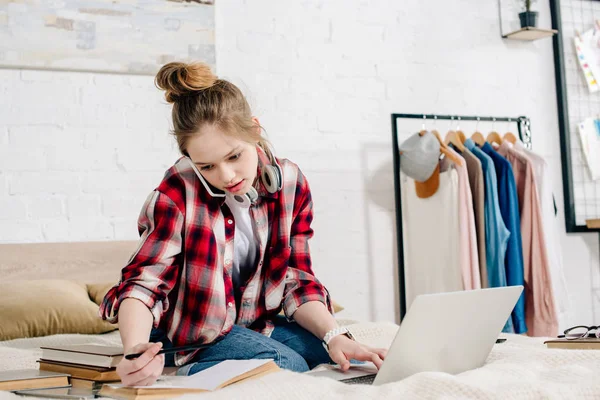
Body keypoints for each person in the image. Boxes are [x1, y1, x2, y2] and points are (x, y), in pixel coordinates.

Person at [99, 61, 387, 386]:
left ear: (255, 129)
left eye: (234, 156)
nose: (226, 176)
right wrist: (134, 352)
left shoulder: (290, 183)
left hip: (251, 325)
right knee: (284, 362)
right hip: (193, 331)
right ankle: (180, 371)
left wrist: (335, 335)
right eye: (207, 166)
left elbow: (296, 277)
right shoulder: (177, 191)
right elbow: (144, 284)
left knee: (329, 353)